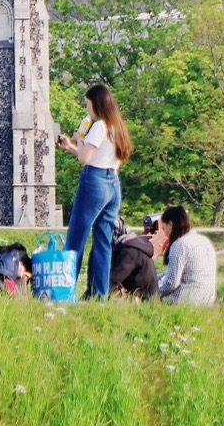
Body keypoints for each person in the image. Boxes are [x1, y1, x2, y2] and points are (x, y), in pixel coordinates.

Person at [57, 83, 132, 300]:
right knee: (103, 241)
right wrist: (69, 145)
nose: (87, 108)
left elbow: (84, 158)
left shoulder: (98, 126)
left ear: (96, 103)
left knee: (76, 238)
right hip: (113, 184)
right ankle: (99, 295)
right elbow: (93, 154)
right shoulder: (116, 126)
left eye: (88, 104)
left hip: (94, 182)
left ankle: (66, 291)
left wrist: (79, 137)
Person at [154, 204, 218, 307]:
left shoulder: (179, 245)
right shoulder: (204, 240)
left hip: (187, 300)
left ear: (171, 224)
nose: (164, 233)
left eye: (163, 228)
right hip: (208, 299)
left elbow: (171, 283)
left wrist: (154, 294)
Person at [108, 215, 158, 300]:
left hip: (143, 299)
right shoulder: (134, 246)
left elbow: (113, 279)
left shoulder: (131, 250)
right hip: (142, 294)